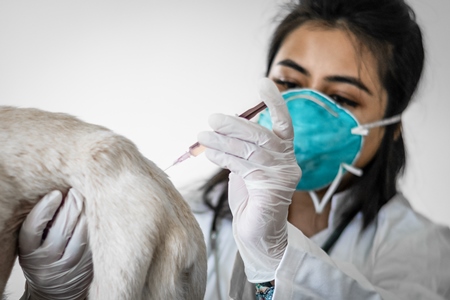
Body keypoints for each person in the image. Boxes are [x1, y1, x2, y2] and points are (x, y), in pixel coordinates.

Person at [17, 0, 450, 299]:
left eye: (342, 98)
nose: (300, 110)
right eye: (288, 84)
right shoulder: (187, 214)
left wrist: (273, 257)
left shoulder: (420, 249)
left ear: (391, 126)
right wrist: (58, 290)